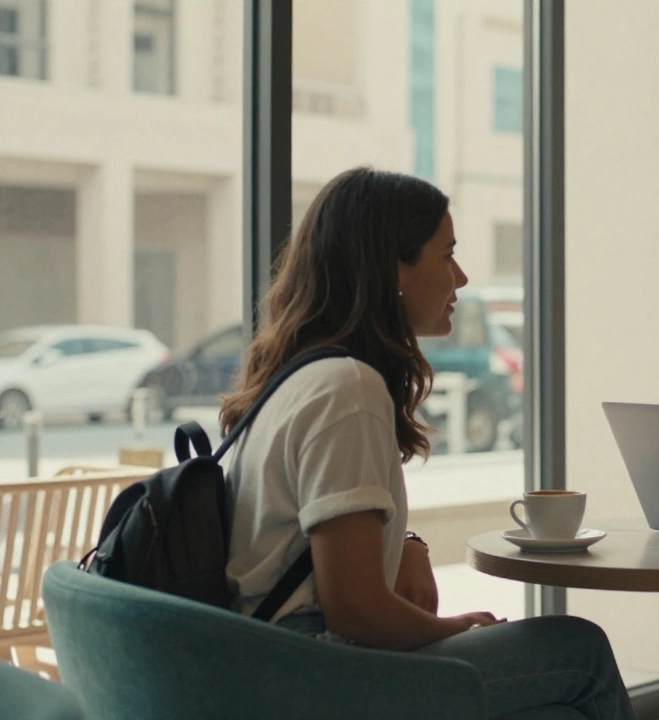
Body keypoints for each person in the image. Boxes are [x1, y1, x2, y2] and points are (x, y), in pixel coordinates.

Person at [220, 167, 636, 720]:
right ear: (394, 268)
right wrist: (453, 628)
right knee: (578, 650)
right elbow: (356, 611)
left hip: (265, 665)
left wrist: (406, 543)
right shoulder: (349, 387)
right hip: (316, 676)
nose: (461, 278)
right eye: (447, 255)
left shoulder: (297, 377)